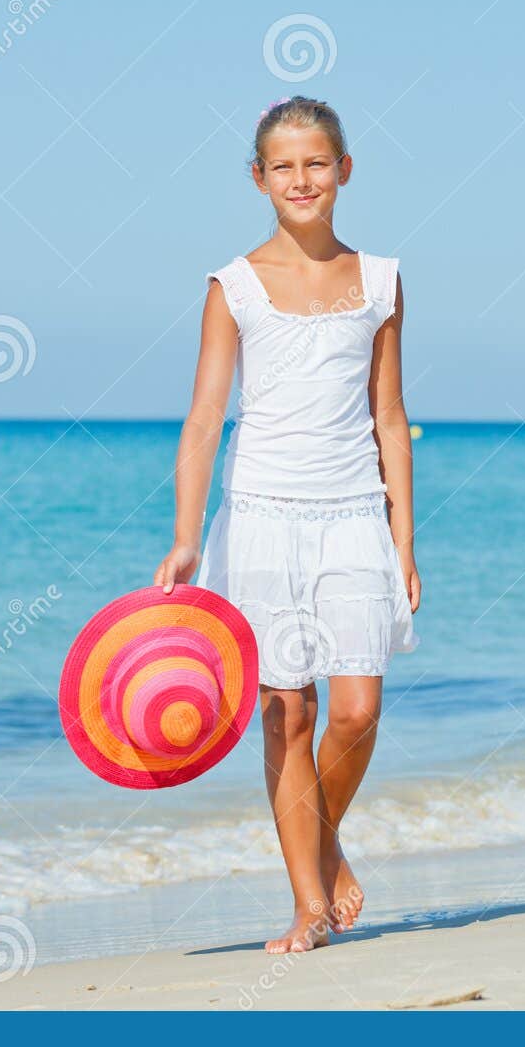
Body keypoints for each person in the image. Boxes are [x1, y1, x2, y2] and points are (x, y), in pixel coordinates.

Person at [154, 95, 421, 954]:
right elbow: (203, 421)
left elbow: (390, 417)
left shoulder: (381, 280)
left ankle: (325, 838)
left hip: (352, 514)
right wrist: (189, 536)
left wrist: (403, 541)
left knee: (356, 709)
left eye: (317, 163)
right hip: (263, 513)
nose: (301, 179)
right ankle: (308, 904)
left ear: (344, 170)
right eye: (284, 166)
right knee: (286, 714)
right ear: (260, 178)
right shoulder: (231, 286)